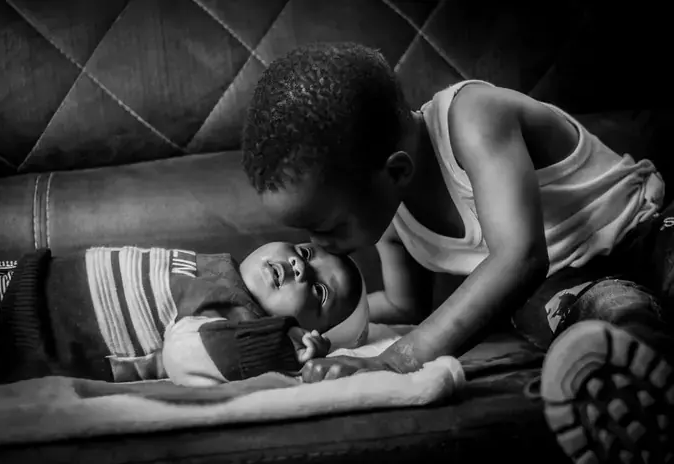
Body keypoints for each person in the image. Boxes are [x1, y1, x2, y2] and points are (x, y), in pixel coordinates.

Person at [241, 42, 674, 463]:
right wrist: (300, 327)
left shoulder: (473, 117)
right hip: (568, 290)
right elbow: (402, 306)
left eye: (328, 227)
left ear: (396, 171)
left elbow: (520, 257)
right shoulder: (394, 221)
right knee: (608, 311)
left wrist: (398, 359)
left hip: (644, 229)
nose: (318, 244)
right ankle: (634, 380)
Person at [0, 242, 369, 386]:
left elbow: (184, 353)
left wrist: (284, 348)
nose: (300, 267)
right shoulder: (223, 270)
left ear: (308, 329)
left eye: (320, 291)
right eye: (304, 252)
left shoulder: (240, 324)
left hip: (24, 331)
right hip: (21, 276)